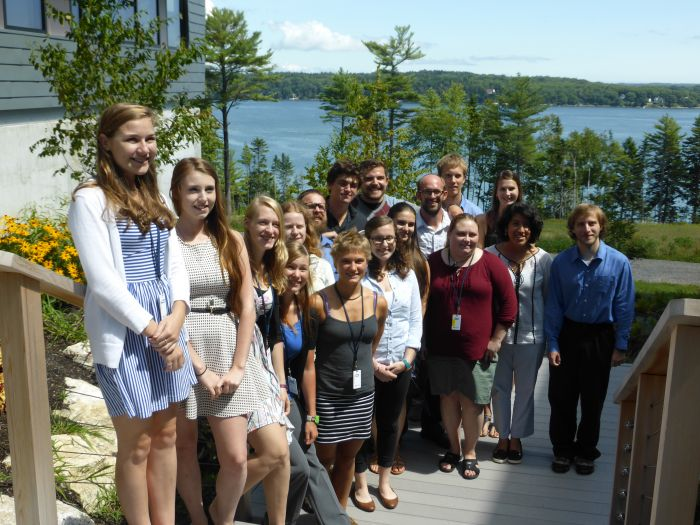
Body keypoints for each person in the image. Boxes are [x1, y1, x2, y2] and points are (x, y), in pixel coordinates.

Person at [67, 103, 195, 523]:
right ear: (106, 142)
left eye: (150, 138)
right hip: (128, 335)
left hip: (167, 328)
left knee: (167, 435)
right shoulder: (91, 199)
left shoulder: (153, 195)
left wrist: (176, 321)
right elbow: (103, 282)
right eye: (132, 139)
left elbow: (175, 267)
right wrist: (157, 333)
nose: (144, 148)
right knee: (136, 444)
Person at [171, 158, 270, 525]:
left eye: (209, 189)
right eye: (194, 189)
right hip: (183, 351)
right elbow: (168, 311)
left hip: (228, 345)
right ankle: (197, 519)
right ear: (177, 192)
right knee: (184, 446)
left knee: (236, 457)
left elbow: (247, 306)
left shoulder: (231, 239)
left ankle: (222, 519)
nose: (203, 197)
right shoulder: (166, 242)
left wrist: (238, 366)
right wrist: (200, 370)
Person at [425, 214, 517, 480]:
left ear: (480, 237)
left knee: (473, 404)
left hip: (477, 349)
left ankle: (470, 453)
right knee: (448, 398)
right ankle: (453, 449)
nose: (467, 239)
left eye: (472, 234)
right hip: (441, 347)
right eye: (461, 234)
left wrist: (496, 339)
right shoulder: (433, 262)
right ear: (450, 235)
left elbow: (509, 305)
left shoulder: (491, 264)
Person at [545, 204, 634, 476]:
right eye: (581, 224)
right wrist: (553, 343)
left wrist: (620, 345)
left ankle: (586, 452)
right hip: (568, 334)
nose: (587, 229)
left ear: (601, 226)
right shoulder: (561, 262)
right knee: (562, 397)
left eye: (592, 223)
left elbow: (624, 305)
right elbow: (554, 305)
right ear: (572, 229)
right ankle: (562, 449)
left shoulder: (618, 262)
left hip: (600, 336)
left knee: (593, 399)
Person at [310, 229, 388, 511]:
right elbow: (308, 357)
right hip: (327, 395)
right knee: (324, 460)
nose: (352, 267)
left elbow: (372, 345)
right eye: (345, 261)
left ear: (367, 261)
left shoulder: (378, 302)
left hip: (362, 393)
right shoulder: (319, 302)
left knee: (348, 459)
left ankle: (338, 514)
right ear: (335, 262)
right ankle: (321, 509)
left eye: (358, 261)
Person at [352, 217, 421, 512]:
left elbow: (415, 322)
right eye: (378, 238)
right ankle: (359, 483)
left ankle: (383, 481)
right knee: (358, 424)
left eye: (390, 238)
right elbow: (351, 323)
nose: (385, 244)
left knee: (391, 423)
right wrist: (372, 363)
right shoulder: (357, 274)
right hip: (364, 365)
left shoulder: (407, 275)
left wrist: (406, 360)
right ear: (368, 240)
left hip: (399, 364)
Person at [280, 241, 351, 525]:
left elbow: (308, 368)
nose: (297, 274)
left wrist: (313, 417)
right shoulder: (267, 306)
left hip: (291, 389)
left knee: (311, 459)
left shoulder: (307, 311)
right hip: (261, 390)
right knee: (299, 467)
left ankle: (337, 521)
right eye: (291, 267)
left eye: (302, 269)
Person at [485, 202, 552, 465]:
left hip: (532, 337)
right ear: (506, 227)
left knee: (525, 389)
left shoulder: (544, 259)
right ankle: (502, 436)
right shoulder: (489, 255)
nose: (520, 229)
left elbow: (548, 299)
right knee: (499, 388)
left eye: (526, 224)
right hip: (497, 337)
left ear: (533, 229)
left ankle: (517, 438)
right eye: (515, 224)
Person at [242, 196, 295, 525]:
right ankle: (221, 504)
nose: (270, 229)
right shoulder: (234, 262)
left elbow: (274, 335)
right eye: (263, 222)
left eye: (275, 224)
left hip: (264, 368)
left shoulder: (270, 269)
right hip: (238, 362)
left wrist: (281, 383)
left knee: (284, 457)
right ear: (247, 223)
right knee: (274, 452)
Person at [413, 174, 451, 448]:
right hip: (414, 300)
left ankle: (433, 423)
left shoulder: (454, 224)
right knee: (416, 360)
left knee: (438, 363)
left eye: (437, 191)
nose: (432, 196)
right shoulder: (408, 224)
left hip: (447, 303)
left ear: (445, 194)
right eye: (427, 191)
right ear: (419, 195)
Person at [282, 201, 335, 293]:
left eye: (299, 226)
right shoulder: (271, 264)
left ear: (306, 228)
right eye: (289, 227)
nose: (295, 232)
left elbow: (332, 303)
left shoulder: (321, 266)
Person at [351, 159, 399, 229]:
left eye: (380, 178)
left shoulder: (397, 206)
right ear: (360, 182)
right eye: (369, 179)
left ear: (387, 181)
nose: (375, 183)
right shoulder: (348, 207)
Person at [298, 189, 336, 275]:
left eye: (321, 206)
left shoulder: (336, 248)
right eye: (311, 206)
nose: (317, 210)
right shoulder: (291, 247)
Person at [437, 153, 484, 217]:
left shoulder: (475, 213)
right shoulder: (431, 211)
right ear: (439, 177)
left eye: (457, 176)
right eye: (448, 176)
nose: (453, 180)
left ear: (464, 179)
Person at [484, 170, 523, 247]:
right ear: (496, 193)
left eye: (511, 189)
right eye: (503, 189)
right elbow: (478, 252)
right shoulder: (484, 220)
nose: (507, 193)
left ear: (518, 191)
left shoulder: (527, 220)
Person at [326, 161, 362, 234]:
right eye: (343, 184)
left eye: (353, 186)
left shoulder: (361, 221)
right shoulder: (315, 215)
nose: (348, 189)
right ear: (330, 185)